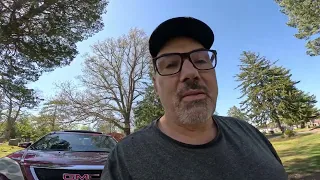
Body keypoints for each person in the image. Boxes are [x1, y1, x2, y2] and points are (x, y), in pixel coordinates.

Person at [101, 17, 288, 180]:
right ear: (156, 86)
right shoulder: (125, 159)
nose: (191, 73)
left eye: (200, 61)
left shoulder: (250, 133)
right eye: (171, 64)